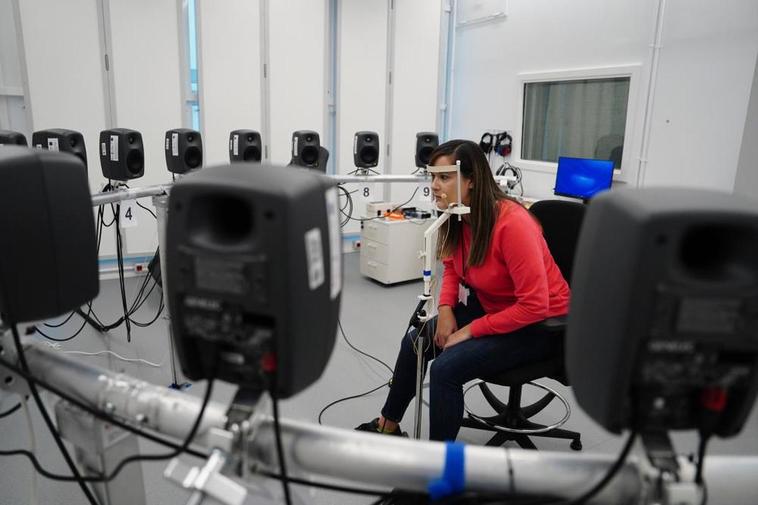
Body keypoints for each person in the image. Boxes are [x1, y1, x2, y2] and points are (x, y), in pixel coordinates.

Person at [356, 139, 571, 441]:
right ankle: (388, 426)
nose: (434, 185)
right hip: (495, 306)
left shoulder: (513, 225)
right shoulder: (459, 217)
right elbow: (453, 268)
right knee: (416, 341)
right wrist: (445, 310)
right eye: (432, 176)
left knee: (445, 369)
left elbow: (534, 306)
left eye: (444, 177)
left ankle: (440, 469)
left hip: (539, 325)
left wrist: (469, 331)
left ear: (471, 180)